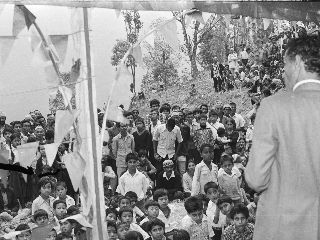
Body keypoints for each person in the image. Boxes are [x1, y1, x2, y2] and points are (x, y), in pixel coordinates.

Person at [245, 35, 320, 240]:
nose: (284, 72)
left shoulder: (274, 106)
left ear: (297, 62)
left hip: (283, 227)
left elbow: (256, 179)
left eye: (285, 63)